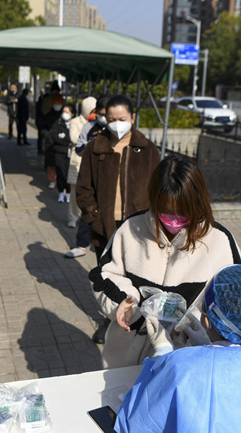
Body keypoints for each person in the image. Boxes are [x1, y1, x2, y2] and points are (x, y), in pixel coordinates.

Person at [114, 265, 241, 433]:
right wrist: (207, 346)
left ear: (207, 321)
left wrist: (163, 353)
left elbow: (134, 422)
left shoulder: (183, 367)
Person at [88, 154, 241, 366]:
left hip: (188, 359)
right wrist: (123, 302)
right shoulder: (131, 228)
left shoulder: (220, 240)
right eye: (166, 211)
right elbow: (104, 274)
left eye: (183, 211)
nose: (174, 218)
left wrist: (192, 328)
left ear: (198, 201)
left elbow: (235, 302)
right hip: (126, 357)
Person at [77, 95, 161, 344]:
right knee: (108, 279)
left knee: (137, 276)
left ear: (132, 118)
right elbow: (83, 188)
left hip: (137, 228)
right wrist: (94, 217)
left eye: (122, 119)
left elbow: (158, 189)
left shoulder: (147, 150)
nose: (116, 124)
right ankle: (109, 319)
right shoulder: (95, 148)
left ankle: (139, 320)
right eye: (111, 119)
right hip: (104, 227)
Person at [65, 96, 108, 261]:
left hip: (111, 182)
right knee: (88, 211)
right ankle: (81, 245)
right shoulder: (89, 127)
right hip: (92, 177)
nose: (104, 118)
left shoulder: (116, 130)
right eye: (101, 114)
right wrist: (94, 145)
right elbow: (79, 148)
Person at [67, 97, 96, 226]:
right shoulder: (75, 122)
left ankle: (86, 218)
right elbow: (73, 137)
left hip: (91, 162)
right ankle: (72, 218)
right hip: (77, 161)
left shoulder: (97, 123)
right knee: (74, 192)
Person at [49, 104, 76, 202]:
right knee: (60, 173)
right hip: (59, 152)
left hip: (70, 153)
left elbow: (73, 139)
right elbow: (55, 137)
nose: (64, 114)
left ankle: (68, 193)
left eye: (67, 112)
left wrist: (64, 137)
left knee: (69, 173)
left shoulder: (74, 124)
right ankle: (61, 193)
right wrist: (66, 139)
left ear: (72, 114)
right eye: (63, 112)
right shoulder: (58, 123)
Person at [41, 93, 64, 189]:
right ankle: (52, 180)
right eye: (56, 103)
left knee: (61, 164)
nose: (57, 105)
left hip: (62, 144)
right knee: (51, 164)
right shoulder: (48, 116)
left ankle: (60, 180)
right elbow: (42, 129)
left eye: (59, 103)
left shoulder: (64, 115)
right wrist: (49, 136)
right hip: (50, 144)